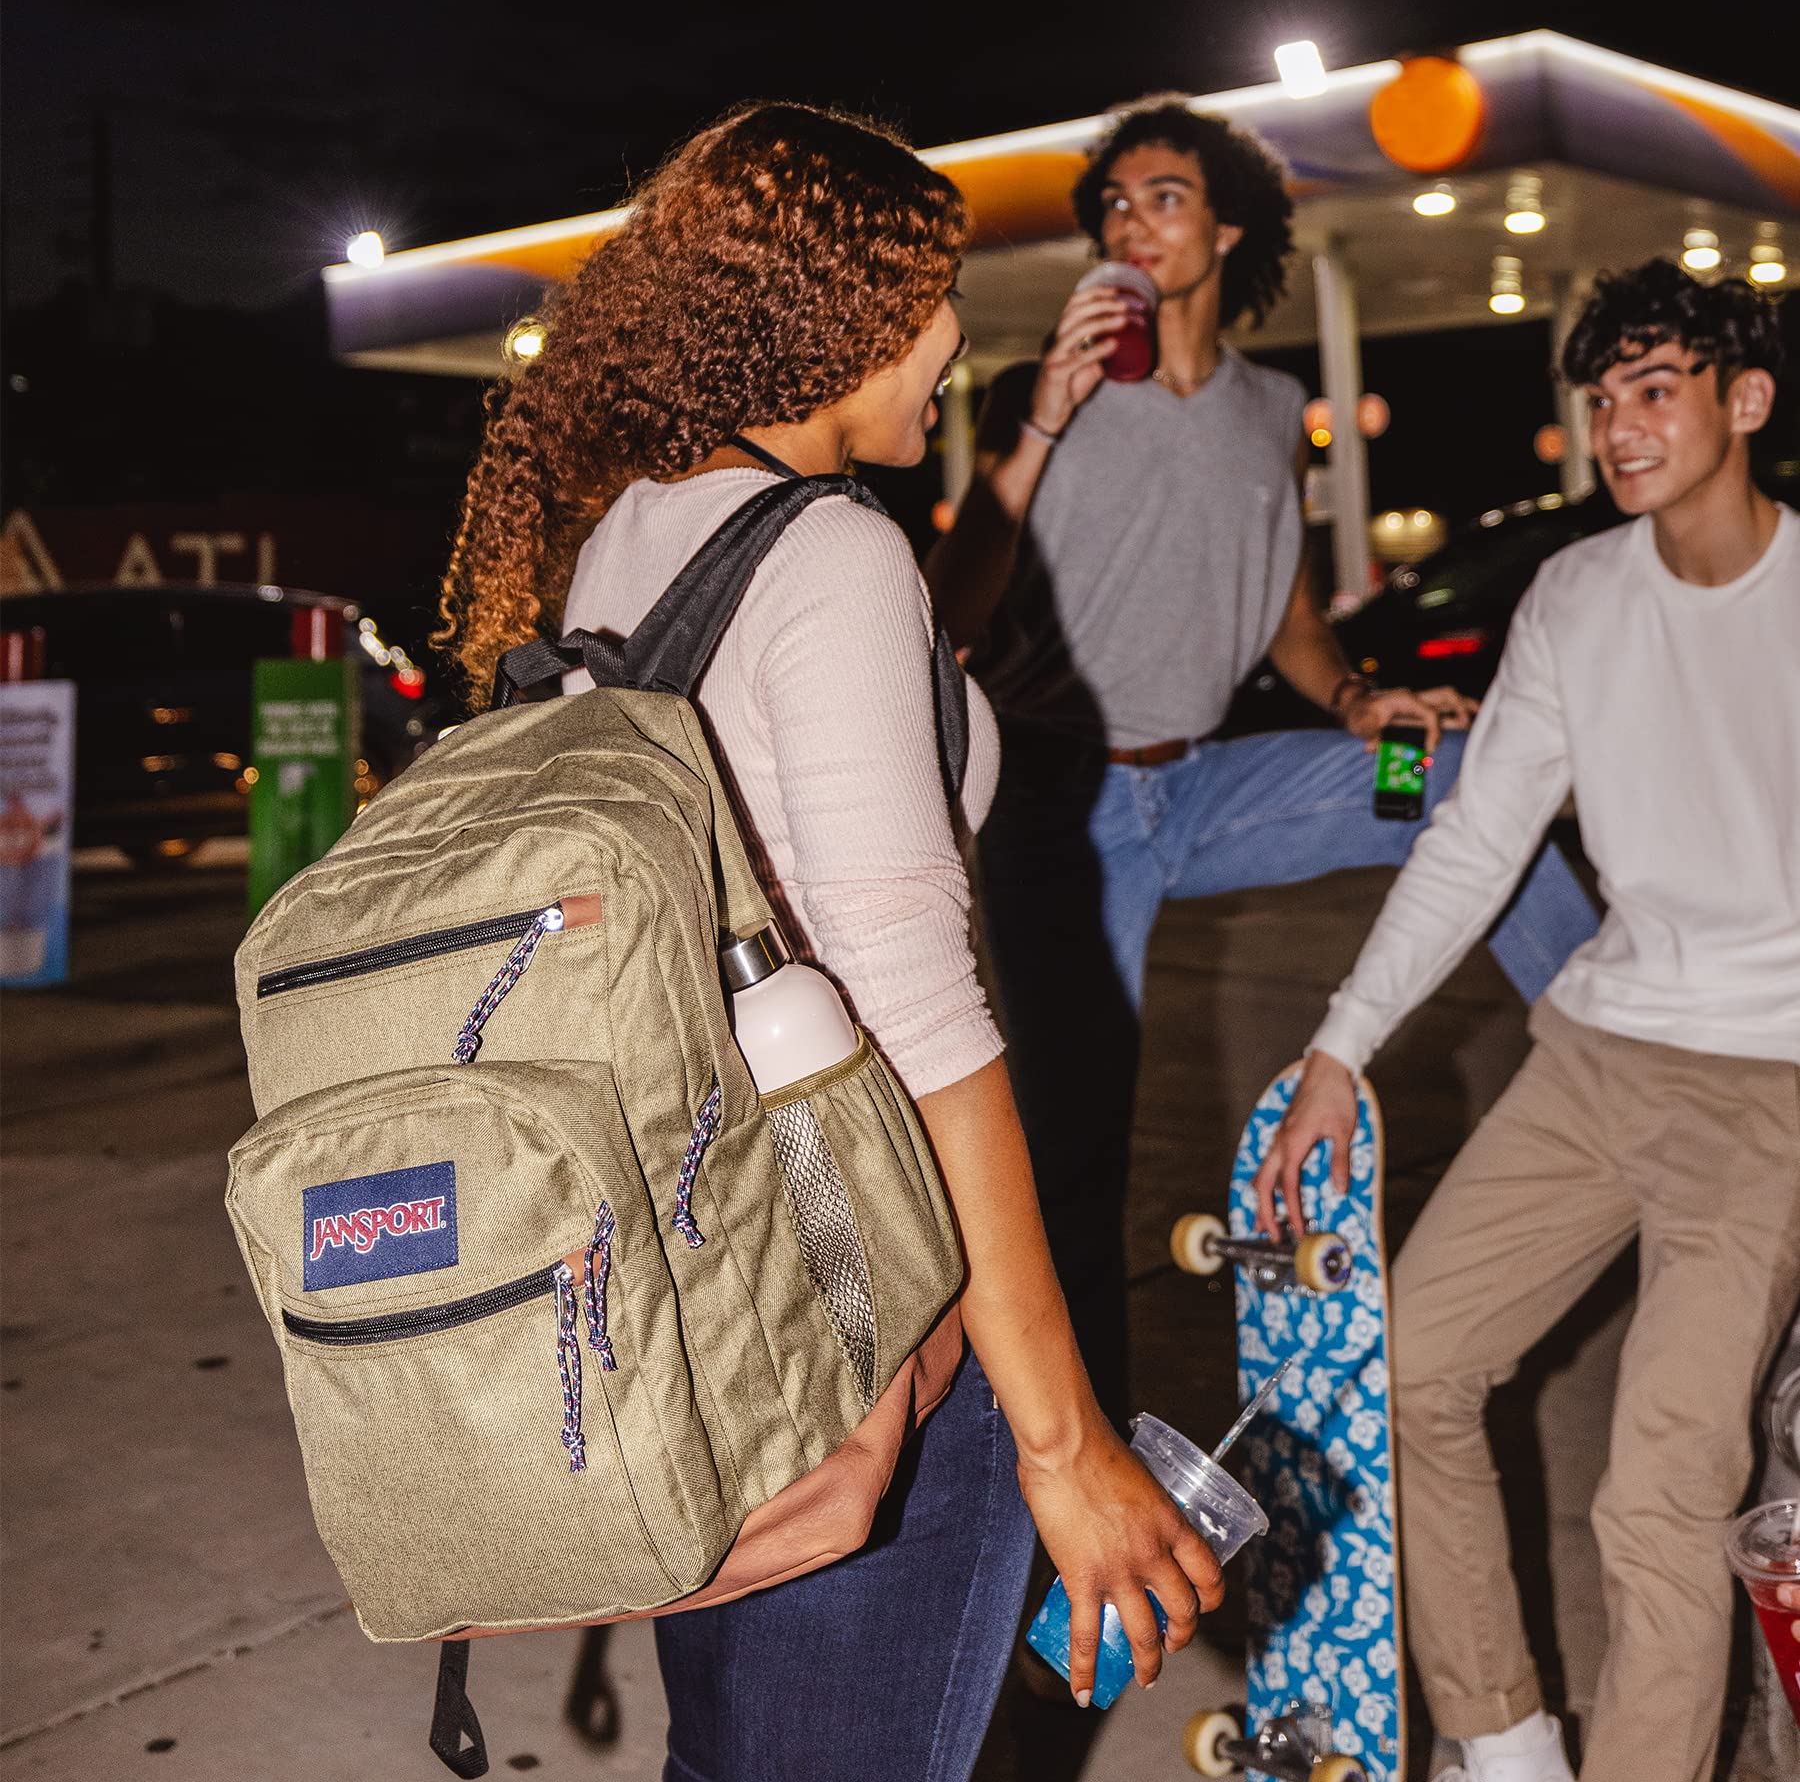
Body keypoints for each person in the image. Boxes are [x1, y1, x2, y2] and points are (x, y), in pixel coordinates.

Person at [433, 104, 1222, 1781]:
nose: (954, 332)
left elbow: (901, 652)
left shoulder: (637, 532)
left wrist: (1022, 450)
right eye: (928, 290)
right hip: (873, 1294)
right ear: (833, 312)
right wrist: (1062, 1442)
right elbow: (924, 1027)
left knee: (740, 1746)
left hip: (707, 1266)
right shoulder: (828, 558)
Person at [925, 96, 1599, 1414]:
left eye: (1160, 198)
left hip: (1213, 786)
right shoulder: (1031, 396)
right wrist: (1046, 418)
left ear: (1224, 226)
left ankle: (1599, 1033)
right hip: (1072, 808)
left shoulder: (1271, 406)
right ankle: (1076, 1455)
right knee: (1076, 1144)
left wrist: (1354, 698)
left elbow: (1285, 606)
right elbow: (953, 605)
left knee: (1443, 778)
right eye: (1113, 206)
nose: (1131, 225)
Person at [1253, 258, 1800, 1782]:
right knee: (1409, 1366)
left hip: (1775, 1091)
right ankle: (1503, 1743)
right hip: (1599, 1056)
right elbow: (1474, 840)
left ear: (1744, 401)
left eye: (1657, 388)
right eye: (1602, 397)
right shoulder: (1575, 596)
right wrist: (1334, 1051)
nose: (1620, 426)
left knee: (1658, 1496)